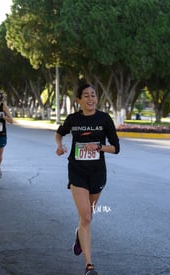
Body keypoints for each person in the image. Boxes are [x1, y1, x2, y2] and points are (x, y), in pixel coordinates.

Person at [55, 84, 120, 275]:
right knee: (85, 216)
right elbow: (59, 133)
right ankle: (89, 266)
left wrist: (100, 147)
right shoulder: (73, 119)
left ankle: (79, 234)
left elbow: (116, 147)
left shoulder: (104, 119)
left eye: (93, 95)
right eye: (86, 95)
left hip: (97, 173)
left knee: (88, 217)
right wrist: (60, 146)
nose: (90, 98)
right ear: (79, 100)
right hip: (77, 171)